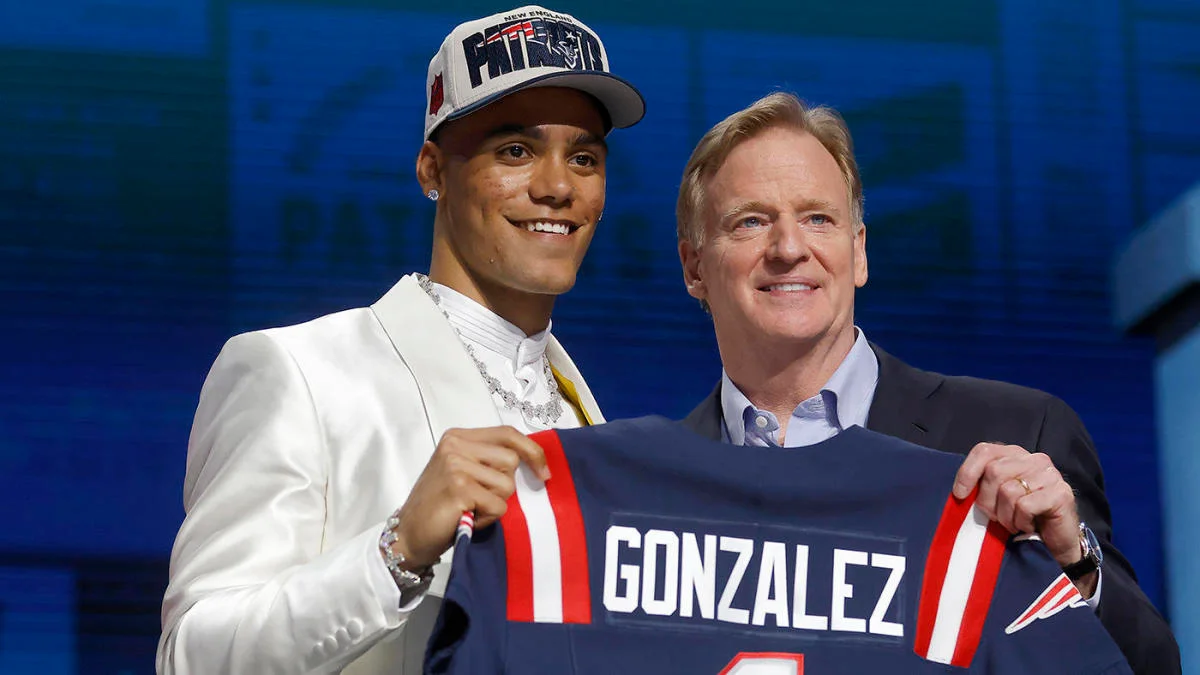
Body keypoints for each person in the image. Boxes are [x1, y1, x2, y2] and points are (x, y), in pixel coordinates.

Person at [156, 6, 644, 673]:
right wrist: (396, 551)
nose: (558, 186)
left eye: (584, 158)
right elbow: (193, 655)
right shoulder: (299, 372)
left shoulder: (593, 425)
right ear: (432, 170)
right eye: (516, 151)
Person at [675, 91, 1179, 675]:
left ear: (859, 252)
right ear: (694, 267)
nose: (789, 249)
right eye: (752, 222)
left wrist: (1076, 564)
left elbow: (1151, 667)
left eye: (818, 218)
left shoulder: (1019, 432)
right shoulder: (652, 488)